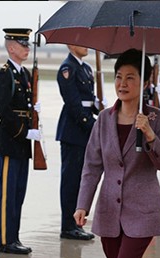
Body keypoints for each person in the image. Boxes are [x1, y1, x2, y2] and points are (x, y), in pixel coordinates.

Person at [74, 48, 160, 258]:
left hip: (143, 213)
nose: (122, 84)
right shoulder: (103, 120)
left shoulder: (157, 119)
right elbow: (91, 166)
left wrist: (149, 134)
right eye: (119, 77)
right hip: (109, 212)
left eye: (130, 78)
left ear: (145, 83)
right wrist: (83, 204)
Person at [0, 28, 41, 255]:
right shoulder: (5, 75)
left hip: (22, 142)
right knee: (8, 194)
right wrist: (25, 133)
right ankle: (5, 240)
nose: (27, 48)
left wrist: (34, 113)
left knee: (19, 193)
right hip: (11, 140)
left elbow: (24, 106)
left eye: (28, 44)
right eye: (23, 44)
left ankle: (14, 237)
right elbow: (4, 112)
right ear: (11, 47)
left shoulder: (25, 74)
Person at [56, 45, 105, 240]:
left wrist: (100, 108)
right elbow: (74, 104)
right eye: (81, 42)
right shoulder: (67, 68)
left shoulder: (85, 68)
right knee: (71, 180)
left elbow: (89, 99)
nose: (86, 47)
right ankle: (68, 226)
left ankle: (76, 223)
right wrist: (94, 125)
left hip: (84, 130)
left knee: (82, 179)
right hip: (74, 130)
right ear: (70, 45)